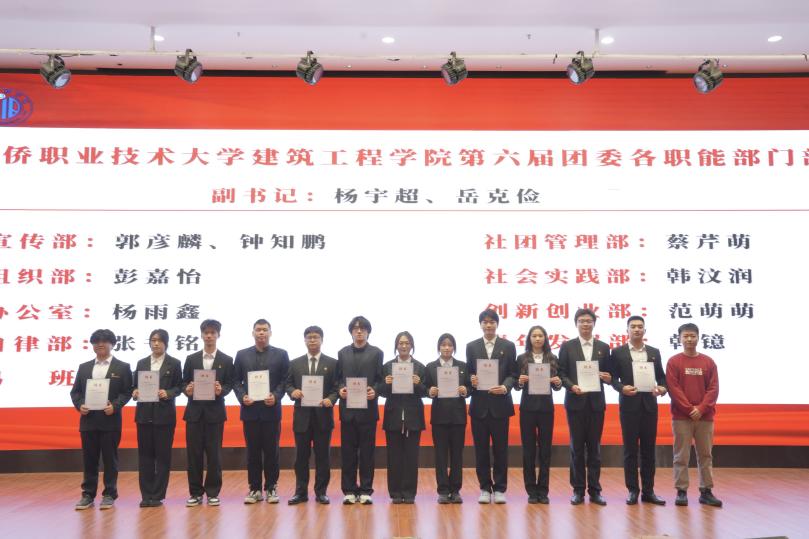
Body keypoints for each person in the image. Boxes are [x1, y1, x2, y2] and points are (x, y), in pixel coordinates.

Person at [70, 329, 133, 510]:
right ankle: (88, 494)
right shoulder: (84, 367)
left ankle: (109, 494)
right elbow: (75, 392)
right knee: (89, 460)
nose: (100, 344)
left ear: (112, 344)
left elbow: (127, 391)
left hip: (110, 420)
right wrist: (80, 405)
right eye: (96, 341)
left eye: (104, 341)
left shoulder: (122, 367)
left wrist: (116, 405)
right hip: (88, 421)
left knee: (110, 460)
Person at [557, 307, 612, 506]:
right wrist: (572, 386)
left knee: (595, 449)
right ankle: (578, 490)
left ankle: (595, 491)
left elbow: (610, 375)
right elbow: (561, 373)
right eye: (582, 321)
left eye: (589, 321)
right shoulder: (567, 346)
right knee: (577, 448)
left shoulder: (603, 347)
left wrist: (608, 377)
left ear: (594, 323)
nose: (585, 324)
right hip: (575, 403)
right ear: (576, 324)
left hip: (596, 404)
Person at [610, 316, 667, 506]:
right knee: (630, 450)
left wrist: (662, 389)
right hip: (629, 406)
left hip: (649, 407)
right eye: (633, 326)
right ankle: (633, 490)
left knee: (649, 450)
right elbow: (612, 379)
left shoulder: (654, 352)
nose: (636, 329)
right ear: (627, 330)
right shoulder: (617, 352)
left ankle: (649, 491)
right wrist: (621, 388)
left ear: (645, 330)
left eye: (640, 326)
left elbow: (662, 378)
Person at [232, 319, 290, 504]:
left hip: (271, 410)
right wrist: (242, 396)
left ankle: (271, 487)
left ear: (270, 333)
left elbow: (285, 380)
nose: (261, 333)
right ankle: (254, 488)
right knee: (252, 452)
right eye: (258, 330)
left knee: (272, 451)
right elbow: (235, 381)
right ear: (253, 333)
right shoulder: (242, 355)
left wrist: (276, 396)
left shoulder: (281, 354)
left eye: (265, 330)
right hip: (250, 411)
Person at [667, 322, 722, 508]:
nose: (689, 339)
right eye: (686, 336)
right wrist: (690, 409)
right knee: (681, 455)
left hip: (705, 417)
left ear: (698, 338)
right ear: (679, 338)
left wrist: (701, 408)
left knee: (705, 455)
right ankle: (681, 491)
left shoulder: (708, 362)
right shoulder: (674, 362)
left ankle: (706, 491)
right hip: (681, 417)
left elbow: (713, 389)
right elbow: (674, 389)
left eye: (692, 336)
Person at [466, 308, 518, 504]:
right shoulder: (472, 346)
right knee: (480, 450)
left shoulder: (508, 346)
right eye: (485, 322)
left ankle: (500, 488)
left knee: (500, 450)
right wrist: (471, 378)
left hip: (500, 405)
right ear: (480, 325)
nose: (488, 325)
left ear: (497, 324)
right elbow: (469, 372)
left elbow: (513, 374)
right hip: (479, 406)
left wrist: (505, 387)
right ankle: (485, 488)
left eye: (492, 322)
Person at [182, 319, 234, 507]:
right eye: (206, 333)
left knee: (214, 455)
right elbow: (183, 383)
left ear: (218, 335)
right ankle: (195, 493)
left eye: (213, 332)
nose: (209, 336)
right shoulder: (191, 359)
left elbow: (230, 384)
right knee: (193, 455)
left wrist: (222, 390)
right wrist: (187, 389)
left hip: (215, 413)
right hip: (194, 413)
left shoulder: (226, 360)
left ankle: (213, 492)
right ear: (202, 335)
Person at [285, 326, 339, 505]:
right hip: (302, 418)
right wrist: (293, 392)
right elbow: (288, 384)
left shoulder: (332, 363)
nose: (313, 340)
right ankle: (300, 492)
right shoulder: (294, 363)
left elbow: (336, 387)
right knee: (301, 457)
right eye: (309, 337)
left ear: (322, 340)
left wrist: (331, 399)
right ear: (305, 340)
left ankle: (321, 492)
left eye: (316, 337)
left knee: (323, 457)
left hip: (323, 417)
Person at [132, 329, 183, 508]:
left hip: (164, 416)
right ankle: (146, 495)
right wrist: (135, 392)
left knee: (163, 457)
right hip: (144, 415)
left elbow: (179, 387)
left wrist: (168, 393)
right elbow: (133, 386)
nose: (156, 343)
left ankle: (158, 495)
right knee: (145, 456)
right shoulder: (142, 363)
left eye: (159, 340)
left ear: (166, 343)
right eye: (153, 340)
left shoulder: (174, 363)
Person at [336, 315, 384, 505]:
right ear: (351, 332)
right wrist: (340, 389)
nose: (359, 331)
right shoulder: (342, 353)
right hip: (347, 411)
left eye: (362, 328)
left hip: (368, 411)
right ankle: (348, 490)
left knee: (367, 453)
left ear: (368, 332)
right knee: (347, 453)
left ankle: (365, 490)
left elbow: (380, 379)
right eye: (355, 328)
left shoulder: (377, 353)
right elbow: (338, 379)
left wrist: (375, 390)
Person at [515, 325, 562, 504]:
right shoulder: (522, 358)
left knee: (545, 450)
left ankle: (543, 490)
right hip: (527, 409)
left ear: (545, 338)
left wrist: (557, 382)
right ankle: (531, 490)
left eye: (540, 335)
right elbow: (517, 385)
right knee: (528, 450)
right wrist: (520, 382)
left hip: (546, 409)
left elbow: (557, 387)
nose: (537, 339)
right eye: (534, 336)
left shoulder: (552, 358)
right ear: (529, 338)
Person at [379, 331, 427, 504]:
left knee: (411, 457)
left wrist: (418, 384)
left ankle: (409, 492)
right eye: (401, 343)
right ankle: (395, 492)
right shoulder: (387, 366)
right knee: (394, 457)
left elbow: (426, 392)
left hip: (413, 417)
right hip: (393, 416)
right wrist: (386, 384)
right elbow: (381, 392)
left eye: (407, 343)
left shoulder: (420, 367)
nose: (404, 346)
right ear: (396, 346)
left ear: (412, 345)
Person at [423, 333, 470, 504]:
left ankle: (455, 490)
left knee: (457, 455)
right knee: (441, 455)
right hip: (439, 417)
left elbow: (470, 388)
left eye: (450, 345)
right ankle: (443, 490)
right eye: (443, 345)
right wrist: (429, 391)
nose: (447, 348)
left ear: (454, 348)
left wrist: (466, 390)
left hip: (458, 417)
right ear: (439, 347)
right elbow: (424, 388)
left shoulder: (463, 366)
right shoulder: (430, 367)